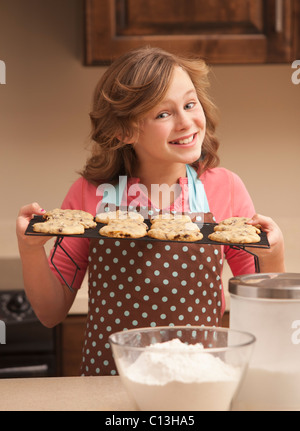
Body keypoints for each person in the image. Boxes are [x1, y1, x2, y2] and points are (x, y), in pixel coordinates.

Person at [16, 47, 285, 376]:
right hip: (109, 383)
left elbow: (262, 308)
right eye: (163, 114)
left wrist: (273, 255)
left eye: (189, 104)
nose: (186, 122)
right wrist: (30, 250)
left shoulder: (224, 188)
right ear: (124, 131)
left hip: (197, 380)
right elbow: (50, 311)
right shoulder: (90, 194)